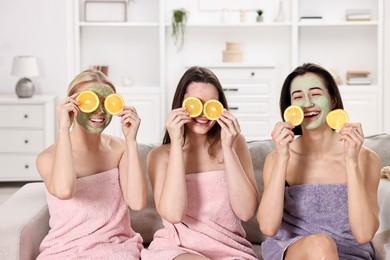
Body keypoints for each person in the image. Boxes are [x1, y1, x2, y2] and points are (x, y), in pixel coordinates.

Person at [257, 63, 381, 259]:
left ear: (332, 99)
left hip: (350, 253)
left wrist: (351, 162)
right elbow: (268, 227)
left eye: (315, 94)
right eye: (298, 97)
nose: (307, 104)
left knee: (324, 246)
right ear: (290, 108)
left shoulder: (366, 159)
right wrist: (282, 158)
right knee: (321, 244)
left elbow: (364, 234)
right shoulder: (276, 158)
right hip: (294, 251)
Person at [141, 66, 259, 260]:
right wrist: (177, 144)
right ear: (180, 104)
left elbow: (246, 212)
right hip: (177, 250)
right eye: (196, 103)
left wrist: (228, 148)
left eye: (211, 104)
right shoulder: (159, 156)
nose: (204, 112)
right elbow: (174, 214)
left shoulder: (235, 143)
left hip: (230, 250)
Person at [36, 69, 147, 259]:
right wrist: (63, 128)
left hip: (117, 249)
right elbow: (64, 191)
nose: (100, 111)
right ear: (71, 104)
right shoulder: (47, 158)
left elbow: (137, 202)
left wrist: (131, 142)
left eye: (107, 102)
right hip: (65, 251)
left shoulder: (120, 148)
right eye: (90, 101)